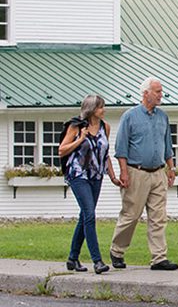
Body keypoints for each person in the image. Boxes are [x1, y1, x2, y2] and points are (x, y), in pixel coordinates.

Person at [109, 77, 178, 271]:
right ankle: (117, 250)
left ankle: (159, 258)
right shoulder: (130, 116)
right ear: (145, 93)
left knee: (158, 216)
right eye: (157, 91)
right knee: (131, 214)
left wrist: (170, 169)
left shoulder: (162, 117)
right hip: (136, 172)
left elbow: (167, 145)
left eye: (161, 91)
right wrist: (124, 173)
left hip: (158, 173)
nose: (160, 95)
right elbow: (120, 148)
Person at [59, 94, 119, 274]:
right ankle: (97, 261)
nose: (104, 110)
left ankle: (72, 258)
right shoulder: (76, 126)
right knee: (90, 215)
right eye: (101, 107)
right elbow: (61, 150)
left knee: (85, 216)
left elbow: (105, 154)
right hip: (78, 174)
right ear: (92, 109)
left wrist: (113, 176)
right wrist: (80, 139)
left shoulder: (105, 127)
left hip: (96, 176)